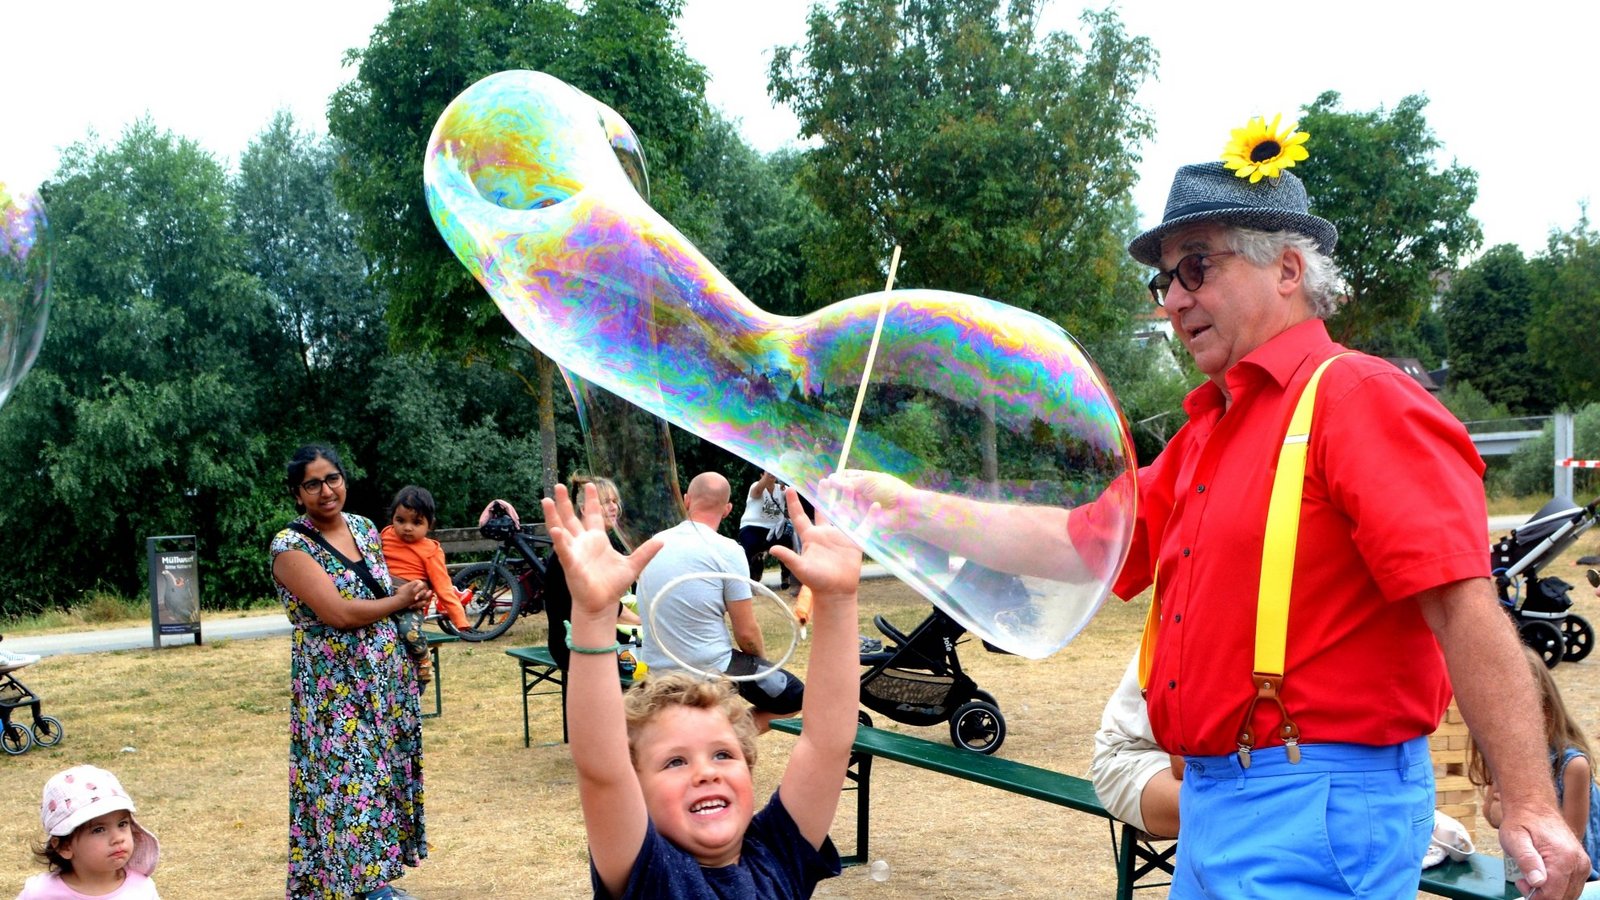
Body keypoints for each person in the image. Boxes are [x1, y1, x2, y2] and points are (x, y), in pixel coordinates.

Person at [831, 134, 1589, 897]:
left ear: (1287, 268)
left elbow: (1463, 607)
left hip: (1313, 800)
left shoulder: (1360, 399)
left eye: (1199, 266)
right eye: (1166, 280)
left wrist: (1528, 798)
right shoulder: (1207, 434)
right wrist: (903, 507)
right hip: (1211, 797)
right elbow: (1075, 542)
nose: (1173, 300)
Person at [542, 480, 860, 898]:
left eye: (724, 754)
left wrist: (836, 601)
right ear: (634, 788)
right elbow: (602, 770)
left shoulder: (779, 854)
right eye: (674, 762)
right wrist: (594, 616)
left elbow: (825, 744)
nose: (706, 772)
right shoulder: (648, 872)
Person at [270, 444, 429, 899]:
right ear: (298, 494)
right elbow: (337, 612)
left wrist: (408, 593)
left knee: (380, 776)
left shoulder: (362, 527)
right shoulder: (289, 545)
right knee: (347, 778)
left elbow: (370, 587)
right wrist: (397, 601)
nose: (326, 491)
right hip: (333, 683)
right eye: (313, 484)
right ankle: (366, 888)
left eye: (333, 478)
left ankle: (356, 882)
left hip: (384, 676)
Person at [636, 472, 805, 731]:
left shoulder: (653, 543)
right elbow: (746, 634)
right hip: (710, 667)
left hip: (655, 666)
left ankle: (715, 737)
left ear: (686, 500)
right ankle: (727, 736)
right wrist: (762, 669)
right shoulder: (728, 551)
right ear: (727, 510)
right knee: (795, 696)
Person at [1471, 647, 1600, 889]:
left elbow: (1572, 843)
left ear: (1545, 710)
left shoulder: (1573, 766)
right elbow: (1491, 813)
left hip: (1577, 882)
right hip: (1525, 872)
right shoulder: (1505, 756)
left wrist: (1513, 815)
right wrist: (1501, 813)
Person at [542, 473, 641, 674]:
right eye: (606, 502)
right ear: (585, 509)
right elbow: (608, 607)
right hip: (575, 642)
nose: (614, 507)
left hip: (607, 636)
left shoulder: (610, 544)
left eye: (615, 501)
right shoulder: (573, 549)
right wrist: (643, 623)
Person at [20, 765, 160, 899]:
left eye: (122, 824)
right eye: (99, 830)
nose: (118, 838)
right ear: (65, 846)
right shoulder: (41, 893)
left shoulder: (141, 889)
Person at [381, 485, 472, 685]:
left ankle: (423, 657)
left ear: (430, 525)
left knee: (408, 632)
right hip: (382, 600)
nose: (407, 527)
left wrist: (459, 618)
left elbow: (444, 586)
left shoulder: (431, 550)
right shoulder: (385, 536)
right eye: (400, 520)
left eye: (416, 522)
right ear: (392, 519)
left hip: (410, 605)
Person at [1088, 652, 1181, 840]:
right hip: (1134, 754)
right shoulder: (1194, 631)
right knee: (1231, 811)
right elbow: (1185, 762)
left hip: (1191, 759)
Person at [736, 471, 795, 592]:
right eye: (767, 472)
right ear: (761, 475)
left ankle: (786, 575)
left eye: (774, 472)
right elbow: (756, 493)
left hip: (775, 528)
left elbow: (794, 497)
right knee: (749, 546)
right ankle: (750, 579)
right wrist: (768, 474)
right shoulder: (755, 486)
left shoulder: (782, 489)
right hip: (753, 526)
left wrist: (786, 481)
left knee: (788, 541)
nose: (771, 474)